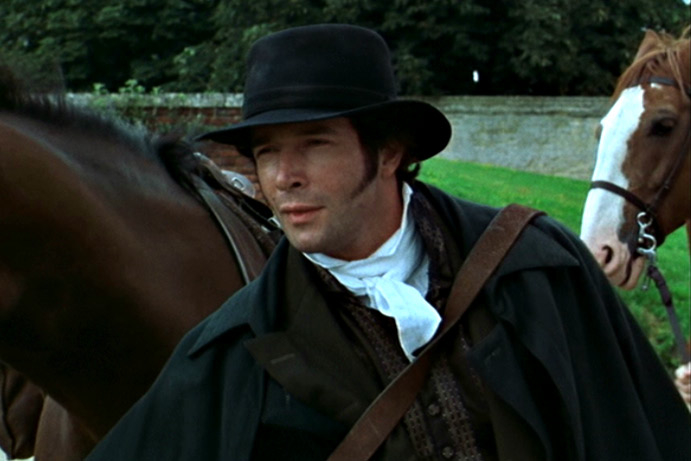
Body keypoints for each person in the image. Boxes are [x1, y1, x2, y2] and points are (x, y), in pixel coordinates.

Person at [86, 24, 690, 461]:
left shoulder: (536, 267)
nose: (284, 176)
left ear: (389, 151)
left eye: (314, 144)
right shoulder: (230, 353)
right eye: (267, 152)